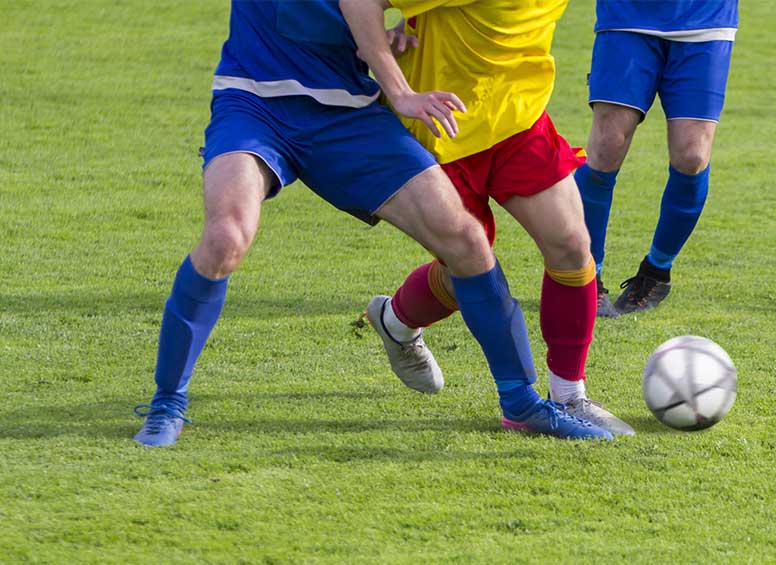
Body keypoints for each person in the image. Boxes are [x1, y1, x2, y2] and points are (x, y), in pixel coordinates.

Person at [132, 0, 612, 447]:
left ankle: (521, 403)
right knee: (226, 237)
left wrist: (401, 29)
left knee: (464, 239)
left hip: (348, 112)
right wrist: (400, 91)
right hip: (254, 103)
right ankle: (167, 401)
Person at [357, 0, 634, 435]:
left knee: (571, 245)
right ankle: (396, 321)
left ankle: (569, 395)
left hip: (519, 120)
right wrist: (385, 69)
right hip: (443, 128)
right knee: (467, 268)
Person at [574, 0, 738, 317]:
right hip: (627, 17)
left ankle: (656, 271)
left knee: (692, 156)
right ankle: (585, 277)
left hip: (706, 19)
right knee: (607, 145)